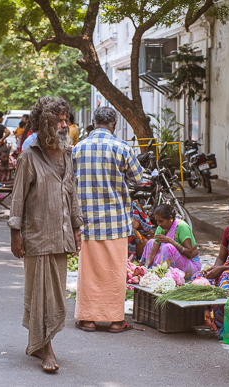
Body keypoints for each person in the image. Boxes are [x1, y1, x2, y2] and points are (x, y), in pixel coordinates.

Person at [8, 96, 83, 373]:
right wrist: (15, 232)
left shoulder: (67, 154)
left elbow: (72, 195)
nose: (64, 125)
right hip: (37, 234)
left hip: (61, 235)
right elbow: (18, 198)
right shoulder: (29, 156)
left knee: (57, 295)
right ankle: (46, 347)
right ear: (44, 124)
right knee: (41, 294)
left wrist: (77, 228)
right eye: (59, 120)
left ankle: (38, 343)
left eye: (66, 119)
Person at [72, 106, 142, 333]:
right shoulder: (122, 148)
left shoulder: (78, 148)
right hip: (115, 221)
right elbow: (139, 179)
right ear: (114, 124)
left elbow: (69, 182)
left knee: (89, 271)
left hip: (87, 220)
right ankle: (115, 321)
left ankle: (88, 319)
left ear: (93, 122)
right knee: (114, 271)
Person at [141, 204, 200, 277]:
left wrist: (171, 241)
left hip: (190, 264)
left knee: (168, 247)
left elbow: (190, 253)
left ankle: (163, 275)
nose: (158, 224)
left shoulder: (182, 226)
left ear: (170, 218)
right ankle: (153, 273)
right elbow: (152, 253)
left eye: (161, 221)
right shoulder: (160, 228)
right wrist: (145, 267)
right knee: (151, 242)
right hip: (174, 263)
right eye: (157, 221)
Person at [202, 216, 229, 290]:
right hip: (226, 267)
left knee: (227, 278)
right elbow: (221, 258)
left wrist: (222, 268)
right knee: (199, 276)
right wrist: (214, 271)